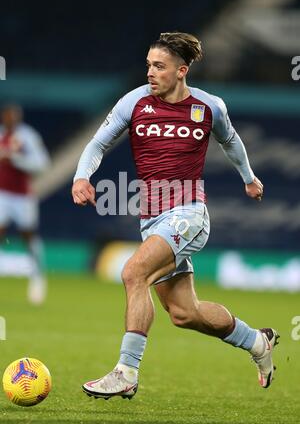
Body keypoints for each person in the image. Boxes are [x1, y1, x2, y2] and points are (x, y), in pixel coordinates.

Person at [72, 32, 279, 400]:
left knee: (133, 272)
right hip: (151, 217)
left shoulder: (209, 107)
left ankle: (126, 371)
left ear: (181, 71)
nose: (150, 72)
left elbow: (230, 140)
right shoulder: (134, 102)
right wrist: (82, 176)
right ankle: (257, 342)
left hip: (188, 213)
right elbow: (98, 143)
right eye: (149, 64)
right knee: (185, 313)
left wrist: (249, 178)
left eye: (159, 66)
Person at [0, 104, 50, 304]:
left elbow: (41, 164)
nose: (10, 119)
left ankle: (38, 277)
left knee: (28, 235)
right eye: (7, 115)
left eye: (14, 116)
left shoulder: (28, 136)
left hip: (23, 195)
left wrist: (14, 158)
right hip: (2, 192)